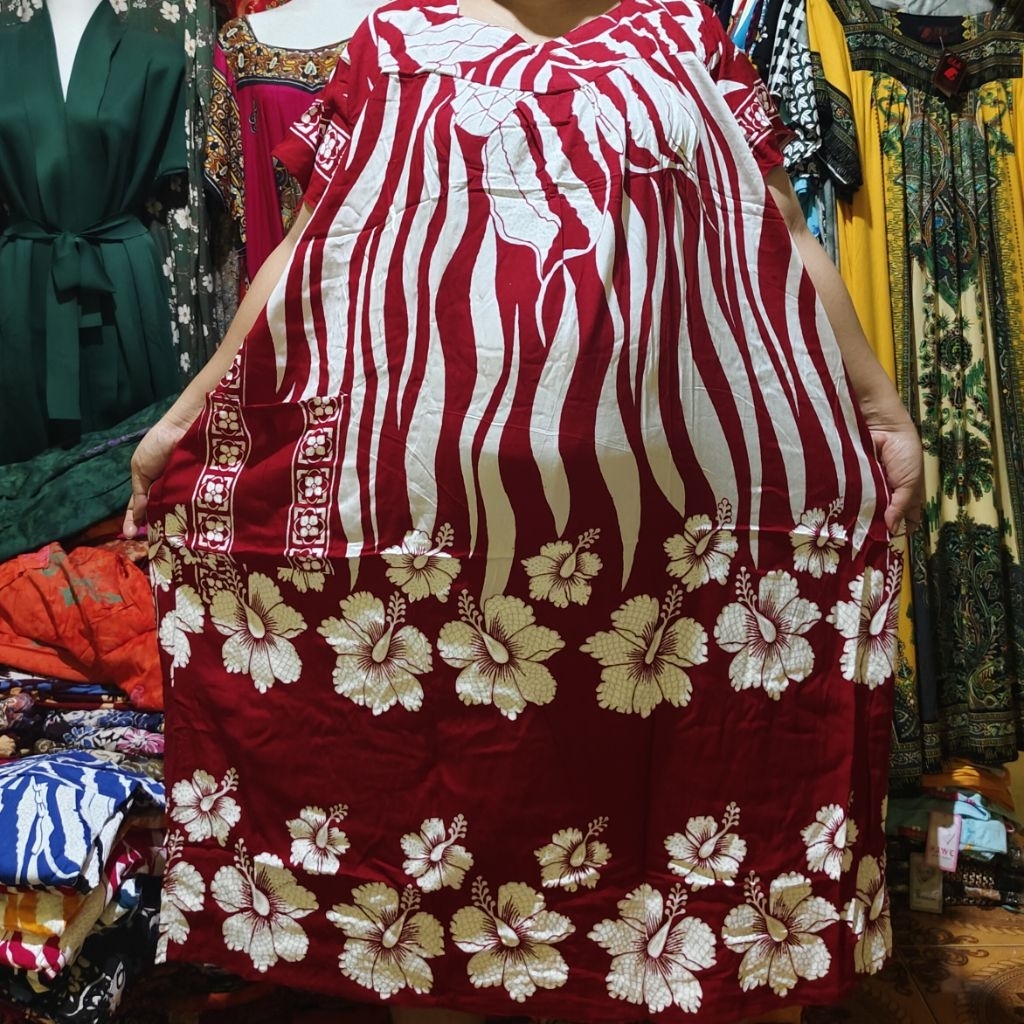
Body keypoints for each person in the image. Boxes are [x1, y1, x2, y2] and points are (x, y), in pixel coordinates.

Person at [125, 1, 923, 1022]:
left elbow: (780, 233)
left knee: (682, 795)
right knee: (447, 824)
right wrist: (182, 419)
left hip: (672, 539)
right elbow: (307, 252)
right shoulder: (396, 42)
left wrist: (878, 407)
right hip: (437, 539)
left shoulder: (687, 37)